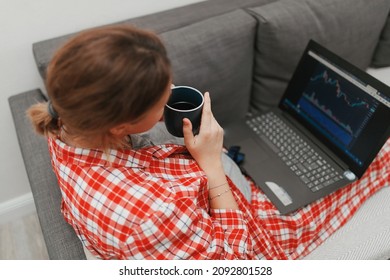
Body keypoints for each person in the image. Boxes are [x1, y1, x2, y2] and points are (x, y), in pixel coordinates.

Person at [27, 24, 389, 260]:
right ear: (123, 126)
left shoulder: (64, 124)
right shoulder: (152, 217)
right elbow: (239, 263)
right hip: (252, 232)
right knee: (373, 159)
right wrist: (212, 164)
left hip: (214, 197)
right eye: (162, 96)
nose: (171, 91)